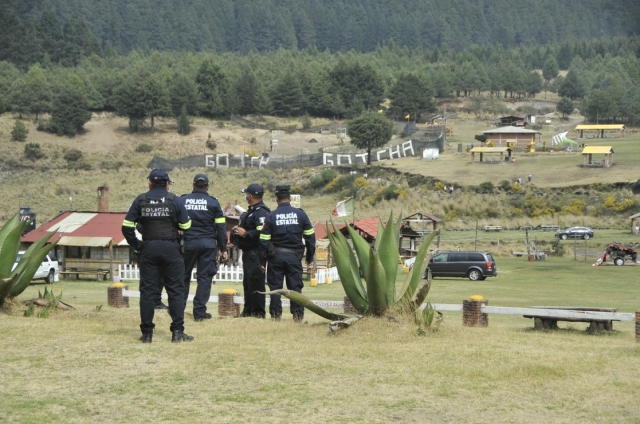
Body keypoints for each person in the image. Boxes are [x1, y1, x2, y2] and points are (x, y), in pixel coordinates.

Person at [122, 169, 193, 344]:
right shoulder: (175, 200)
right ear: (167, 183)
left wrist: (138, 245)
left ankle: (147, 334)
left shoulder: (140, 200)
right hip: (171, 248)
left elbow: (126, 227)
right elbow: (186, 225)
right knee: (176, 291)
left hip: (148, 248)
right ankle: (177, 332)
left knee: (147, 292)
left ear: (150, 183)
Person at [259, 185, 315, 322]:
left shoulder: (271, 216)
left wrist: (262, 261)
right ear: (290, 198)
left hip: (275, 257)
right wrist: (309, 257)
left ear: (276, 198)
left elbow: (264, 241)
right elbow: (310, 237)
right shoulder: (301, 214)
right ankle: (298, 316)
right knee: (295, 288)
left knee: (275, 288)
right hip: (294, 257)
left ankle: (276, 316)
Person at [181, 173, 228, 322]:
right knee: (204, 278)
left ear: (193, 185)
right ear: (207, 187)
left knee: (183, 276)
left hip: (187, 243)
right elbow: (221, 228)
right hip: (208, 244)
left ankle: (178, 308)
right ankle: (199, 312)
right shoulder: (213, 203)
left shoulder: (182, 200)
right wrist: (224, 248)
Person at [232, 183, 270, 318]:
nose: (245, 196)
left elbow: (263, 233)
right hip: (249, 252)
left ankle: (258, 313)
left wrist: (246, 234)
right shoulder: (252, 211)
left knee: (256, 283)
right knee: (248, 283)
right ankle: (248, 311)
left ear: (250, 195)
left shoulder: (261, 212)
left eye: (246, 194)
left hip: (256, 252)